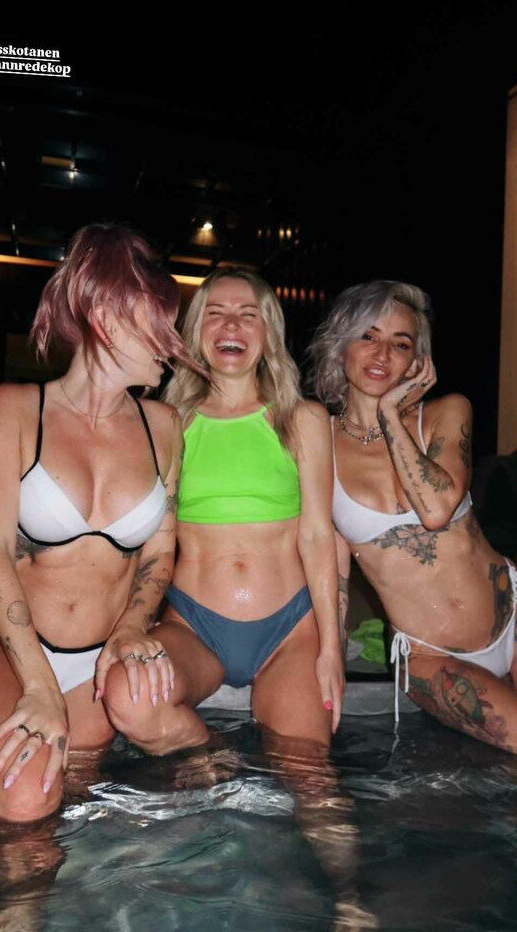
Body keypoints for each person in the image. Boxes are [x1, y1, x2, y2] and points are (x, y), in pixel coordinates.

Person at [0, 222, 196, 822]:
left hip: (99, 654)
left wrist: (131, 627)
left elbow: (160, 551)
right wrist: (37, 684)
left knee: (75, 796)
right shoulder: (15, 409)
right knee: (23, 794)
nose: (172, 342)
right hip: (1, 645)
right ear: (107, 319)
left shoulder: (164, 428)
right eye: (161, 323)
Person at [109, 266, 344, 756]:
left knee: (311, 782)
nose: (231, 325)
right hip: (194, 627)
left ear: (269, 332)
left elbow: (319, 537)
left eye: (247, 315)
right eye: (215, 313)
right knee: (130, 699)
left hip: (290, 631)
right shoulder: (169, 423)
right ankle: (213, 756)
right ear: (196, 331)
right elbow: (149, 540)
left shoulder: (303, 419)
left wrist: (331, 647)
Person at [309, 280, 517, 756]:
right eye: (368, 336)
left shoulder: (447, 413)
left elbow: (436, 508)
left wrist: (390, 414)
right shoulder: (319, 443)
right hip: (431, 660)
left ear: (417, 362)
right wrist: (331, 655)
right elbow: (333, 564)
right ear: (340, 346)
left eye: (401, 344)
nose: (382, 354)